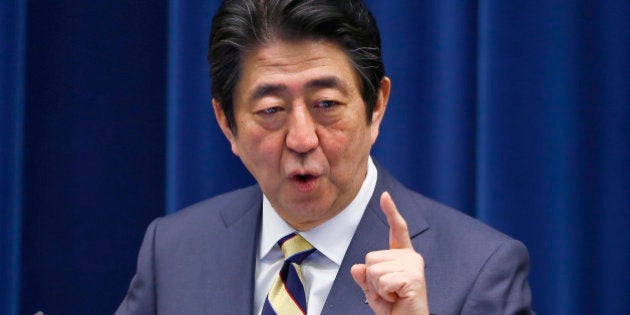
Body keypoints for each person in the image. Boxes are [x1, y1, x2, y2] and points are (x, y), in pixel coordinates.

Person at [116, 0, 532, 314]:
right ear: (227, 124)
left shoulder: (480, 271)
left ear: (377, 106)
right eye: (271, 111)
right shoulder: (172, 251)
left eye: (327, 104)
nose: (301, 138)